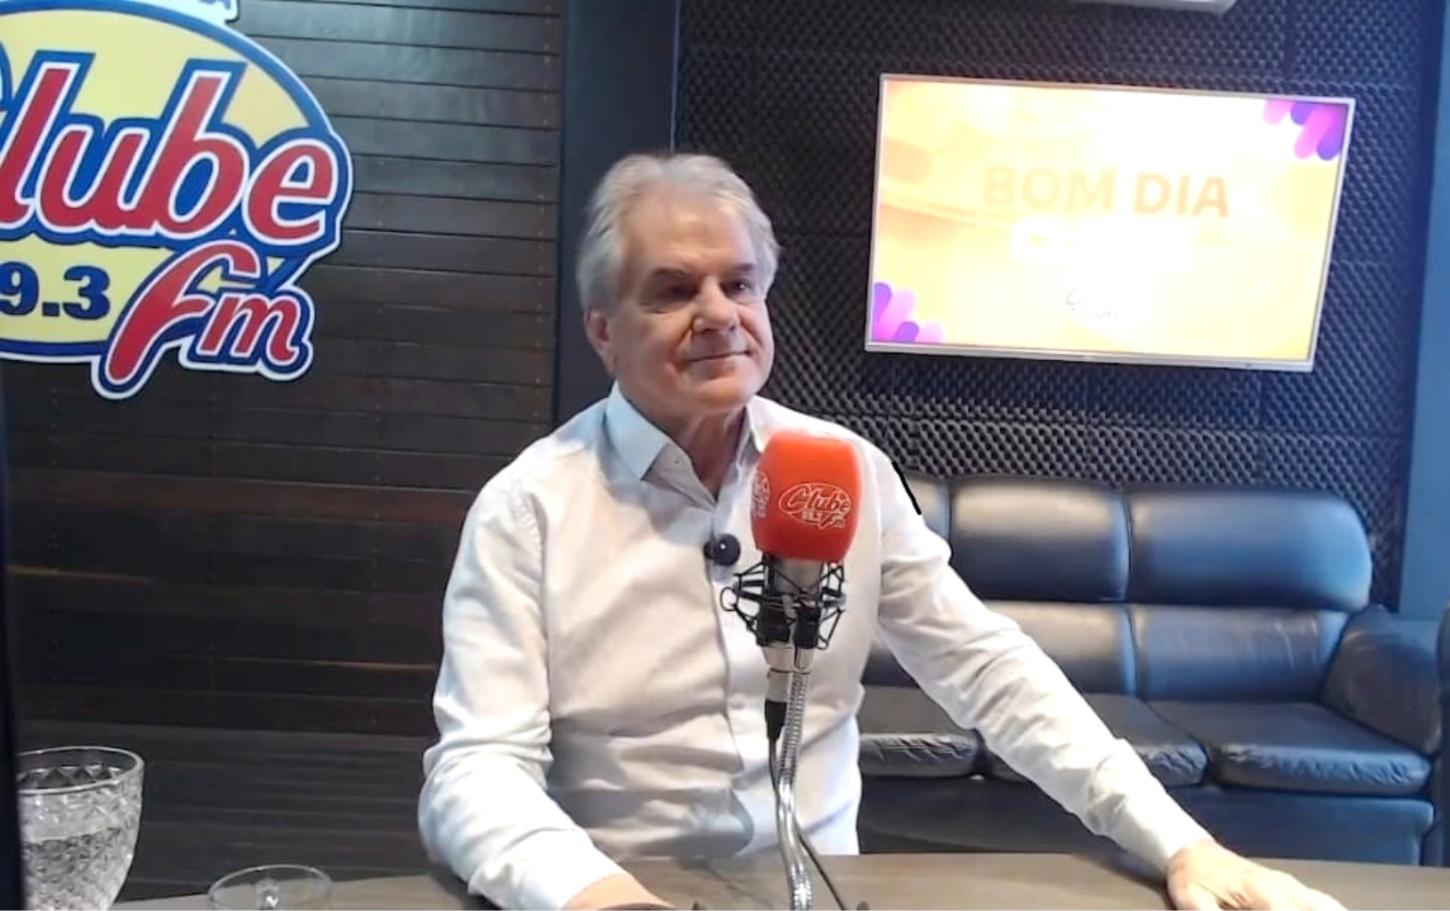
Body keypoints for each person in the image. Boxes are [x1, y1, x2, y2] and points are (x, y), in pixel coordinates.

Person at [418, 152, 1344, 911]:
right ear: (602, 331)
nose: (719, 314)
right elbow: (476, 769)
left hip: (824, 887)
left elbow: (989, 669)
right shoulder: (529, 507)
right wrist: (599, 899)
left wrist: (1180, 841)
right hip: (617, 886)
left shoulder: (846, 471)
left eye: (740, 283)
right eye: (672, 290)